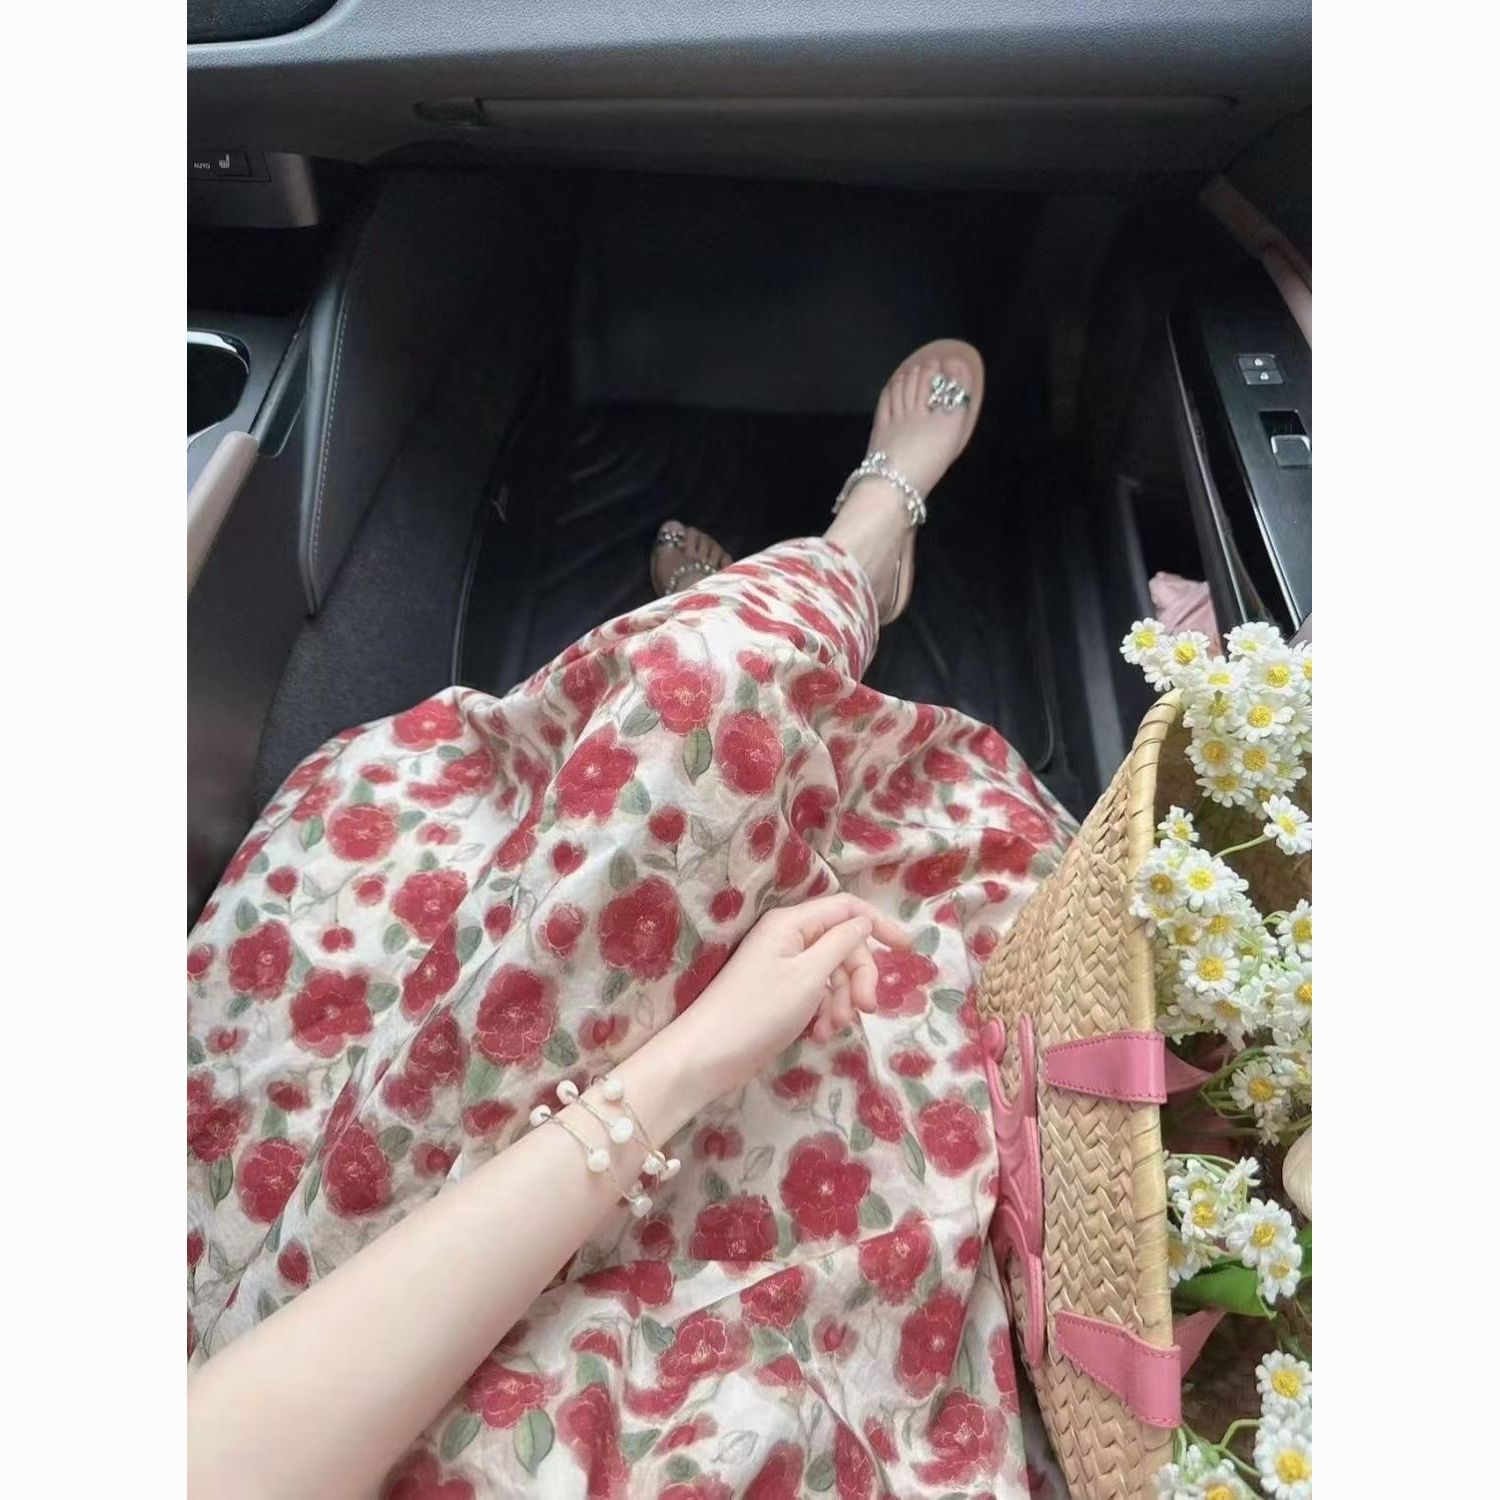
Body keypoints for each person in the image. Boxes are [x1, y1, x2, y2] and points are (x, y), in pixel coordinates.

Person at [187, 340, 1076, 1498]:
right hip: (700, 1369)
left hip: (303, 1295)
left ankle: (848, 564)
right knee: (741, 751)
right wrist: (692, 1063)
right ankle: (832, 582)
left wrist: (681, 1066)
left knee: (695, 718)